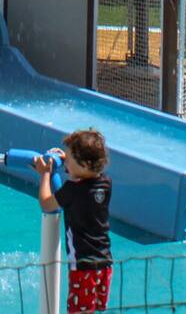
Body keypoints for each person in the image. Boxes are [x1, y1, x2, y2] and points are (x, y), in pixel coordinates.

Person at [34, 129, 113, 313]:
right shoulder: (106, 184)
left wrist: (44, 174)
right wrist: (69, 160)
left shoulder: (71, 190)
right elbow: (86, 177)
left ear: (84, 164)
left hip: (83, 268)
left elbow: (46, 203)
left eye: (68, 159)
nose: (65, 163)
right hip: (105, 265)